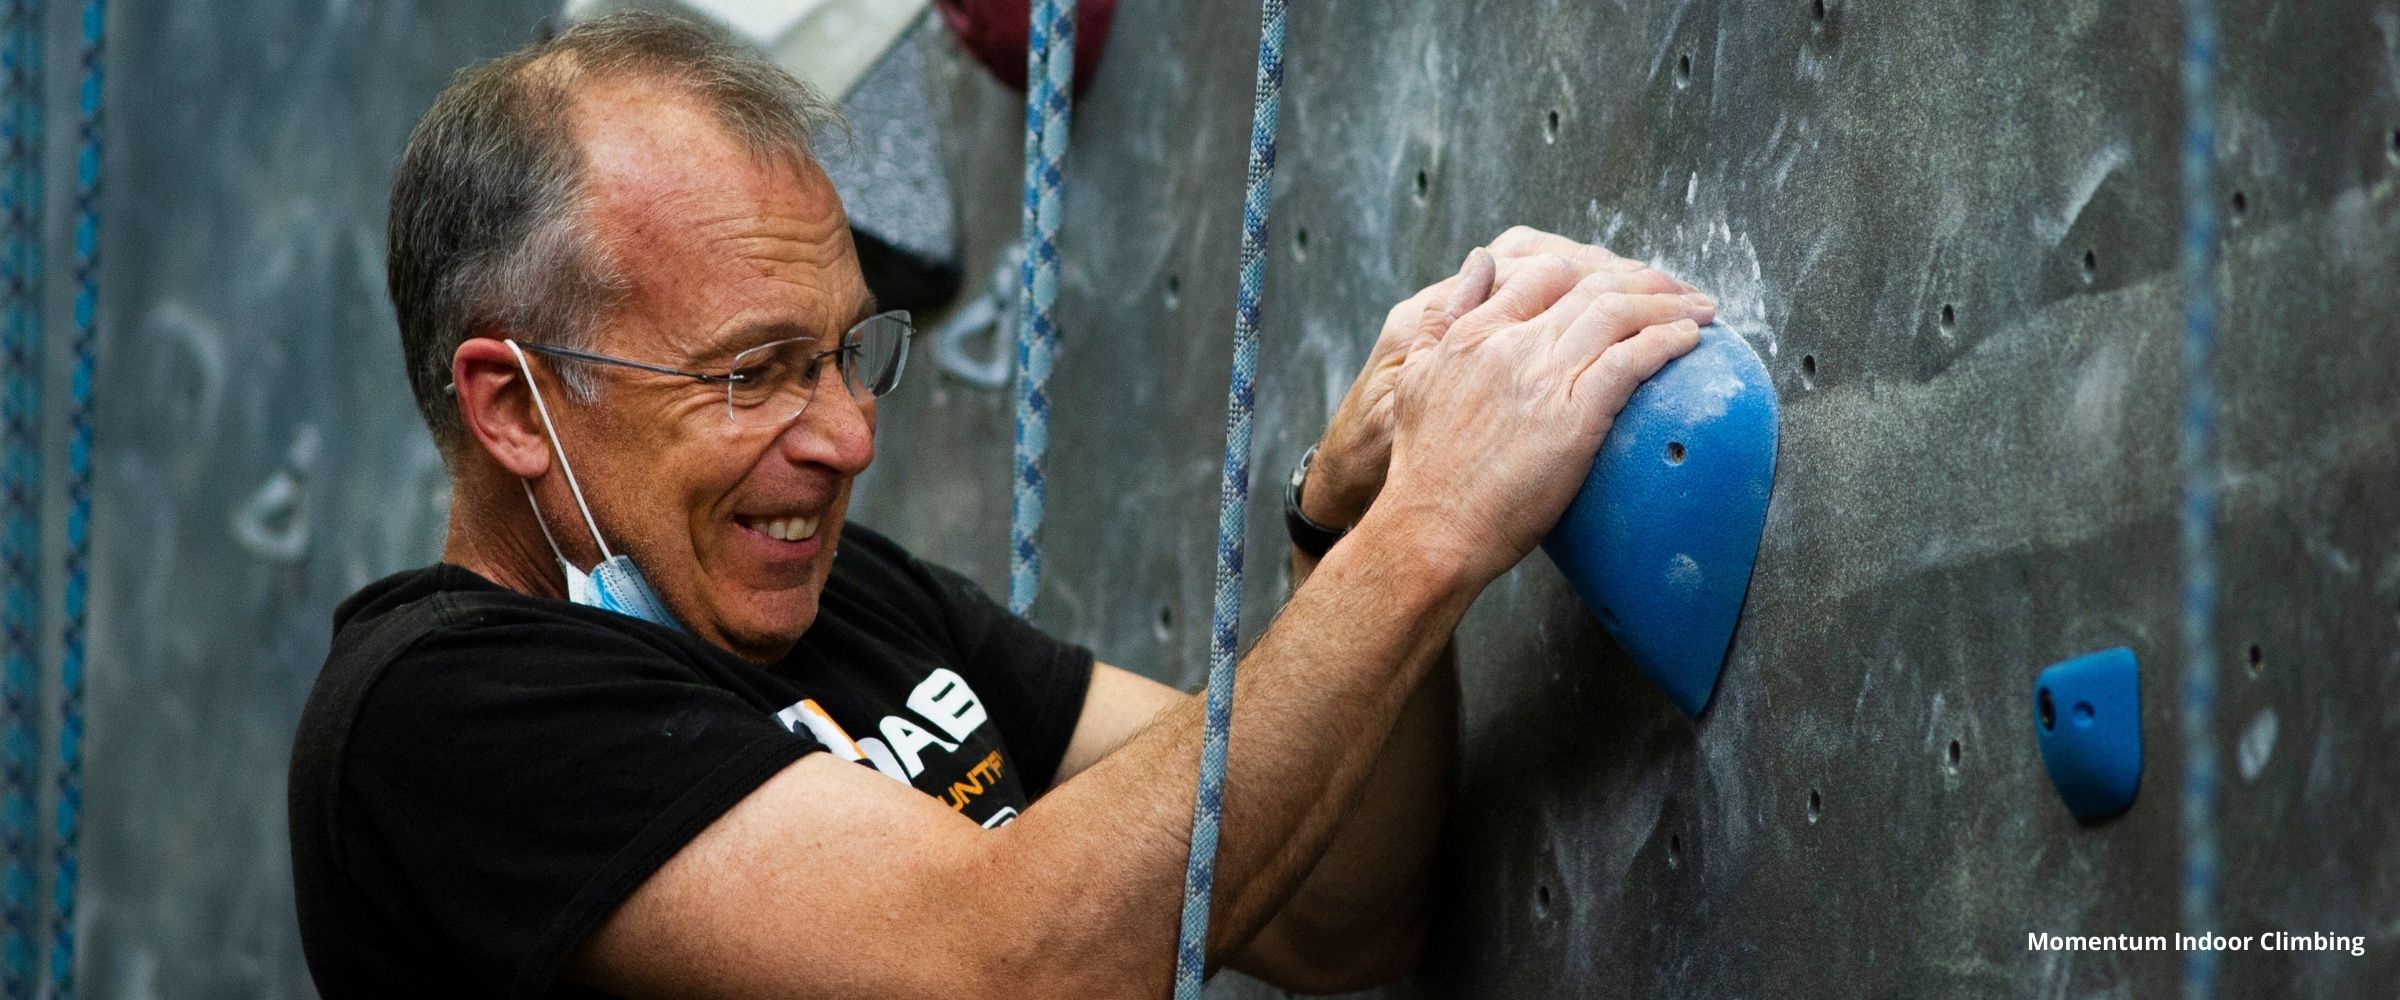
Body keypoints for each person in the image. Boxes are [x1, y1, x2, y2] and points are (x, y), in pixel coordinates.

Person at [287, 11, 1717, 998]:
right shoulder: (437, 717)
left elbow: (1343, 906)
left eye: (849, 354)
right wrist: (1432, 540)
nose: (845, 436)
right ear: (511, 408)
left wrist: (1349, 529)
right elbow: (1016, 968)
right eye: (755, 375)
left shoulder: (847, 603)